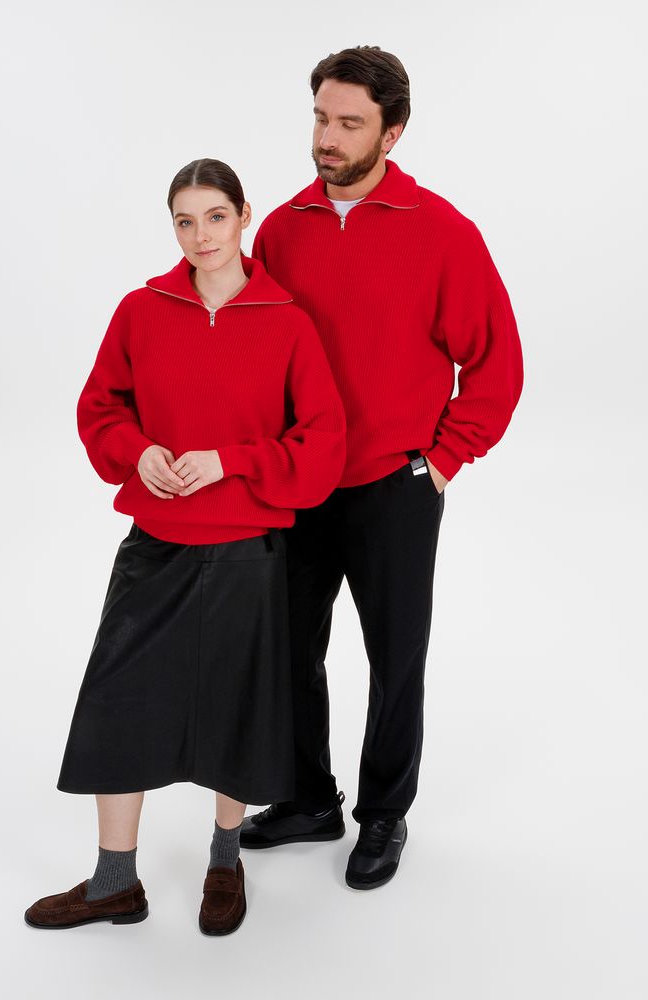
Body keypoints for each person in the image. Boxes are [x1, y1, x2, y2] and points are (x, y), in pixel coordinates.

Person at [24, 158, 346, 934]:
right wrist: (136, 452)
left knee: (238, 708)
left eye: (215, 216)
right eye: (184, 220)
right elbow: (101, 407)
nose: (201, 235)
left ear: (244, 216)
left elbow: (324, 443)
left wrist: (231, 460)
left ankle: (225, 862)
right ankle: (115, 882)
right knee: (116, 702)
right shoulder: (142, 310)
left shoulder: (287, 321)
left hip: (247, 551)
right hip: (157, 543)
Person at [241, 46, 524, 889]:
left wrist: (443, 459)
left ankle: (383, 815)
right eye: (320, 118)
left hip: (395, 483)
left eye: (349, 123)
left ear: (392, 132)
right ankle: (307, 799)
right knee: (288, 650)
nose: (327, 138)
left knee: (395, 660)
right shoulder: (281, 229)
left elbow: (497, 364)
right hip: (299, 481)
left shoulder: (442, 232)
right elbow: (260, 355)